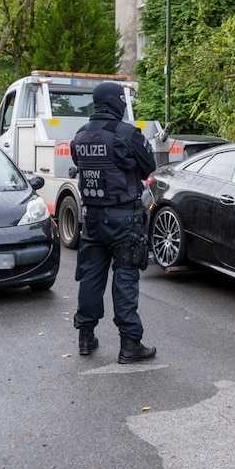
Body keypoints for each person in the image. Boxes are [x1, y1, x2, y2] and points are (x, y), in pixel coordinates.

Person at [71, 81, 158, 364]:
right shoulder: (126, 133)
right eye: (123, 99)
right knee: (125, 278)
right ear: (116, 101)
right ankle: (130, 344)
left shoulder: (80, 135)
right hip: (124, 219)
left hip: (92, 218)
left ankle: (86, 337)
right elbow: (150, 167)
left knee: (90, 277)